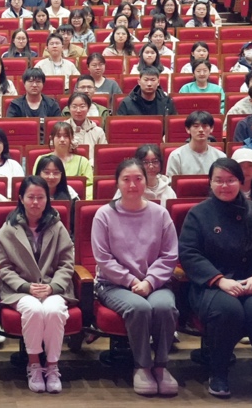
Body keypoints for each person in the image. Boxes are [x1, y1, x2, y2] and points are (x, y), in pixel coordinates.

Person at [178, 159, 252, 400]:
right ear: (210, 182)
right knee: (227, 310)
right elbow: (189, 253)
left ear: (241, 181)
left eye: (230, 180)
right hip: (213, 284)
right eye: (218, 180)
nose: (224, 185)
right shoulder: (198, 213)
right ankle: (218, 372)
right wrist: (219, 280)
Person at [91, 159, 180, 396]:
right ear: (117, 183)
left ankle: (161, 366)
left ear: (145, 181)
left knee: (164, 307)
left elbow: (169, 255)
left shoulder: (160, 214)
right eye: (126, 179)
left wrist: (149, 282)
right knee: (139, 308)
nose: (132, 185)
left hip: (154, 283)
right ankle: (142, 366)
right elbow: (103, 259)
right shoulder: (104, 215)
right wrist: (132, 281)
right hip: (114, 284)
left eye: (138, 179)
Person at [0, 175, 76, 394]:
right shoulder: (8, 229)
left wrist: (53, 287)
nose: (36, 202)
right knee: (33, 309)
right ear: (21, 198)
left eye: (41, 197)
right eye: (31, 197)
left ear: (48, 199)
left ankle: (52, 366)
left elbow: (67, 263)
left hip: (52, 287)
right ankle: (34, 365)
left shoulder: (57, 226)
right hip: (19, 290)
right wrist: (26, 287)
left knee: (54, 310)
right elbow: (3, 268)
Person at [35, 121, 94, 197]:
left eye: (66, 136)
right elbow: (36, 183)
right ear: (51, 138)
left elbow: (89, 186)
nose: (62, 139)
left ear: (71, 138)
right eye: (58, 136)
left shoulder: (83, 161)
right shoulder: (41, 159)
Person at [166, 111, 227, 177]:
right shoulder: (176, 156)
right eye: (196, 126)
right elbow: (171, 182)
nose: (201, 130)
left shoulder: (220, 157)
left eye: (205, 126)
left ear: (211, 128)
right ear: (188, 129)